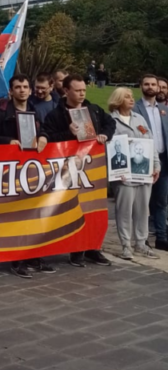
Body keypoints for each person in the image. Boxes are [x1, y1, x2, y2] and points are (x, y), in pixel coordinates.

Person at [41, 73, 115, 267]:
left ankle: (93, 248)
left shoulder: (94, 110)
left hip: (92, 169)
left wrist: (105, 135)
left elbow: (110, 123)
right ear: (66, 91)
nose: (82, 94)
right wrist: (68, 134)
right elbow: (48, 138)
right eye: (78, 90)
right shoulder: (55, 115)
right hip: (68, 172)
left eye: (84, 90)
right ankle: (75, 249)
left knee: (93, 209)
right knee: (72, 208)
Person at [0, 74, 53, 279]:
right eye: (18, 87)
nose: (22, 90)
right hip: (11, 172)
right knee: (16, 215)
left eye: (25, 87)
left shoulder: (35, 112)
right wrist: (8, 141)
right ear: (11, 91)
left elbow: (46, 133)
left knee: (34, 214)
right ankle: (17, 259)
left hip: (32, 171)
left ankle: (34, 255)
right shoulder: (0, 114)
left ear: (30, 91)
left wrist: (43, 137)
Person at [109, 87, 159, 260]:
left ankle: (141, 243)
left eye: (132, 97)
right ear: (118, 100)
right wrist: (115, 172)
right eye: (127, 97)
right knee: (124, 210)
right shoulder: (111, 121)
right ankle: (125, 245)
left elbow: (150, 143)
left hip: (143, 172)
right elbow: (109, 149)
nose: (132, 99)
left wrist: (156, 165)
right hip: (124, 174)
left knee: (142, 209)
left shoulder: (139, 119)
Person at [133, 75, 168, 251]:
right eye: (146, 84)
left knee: (161, 201)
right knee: (142, 202)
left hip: (163, 159)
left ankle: (161, 237)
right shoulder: (135, 108)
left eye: (153, 84)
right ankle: (141, 238)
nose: (150, 87)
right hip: (142, 159)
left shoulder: (163, 109)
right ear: (141, 86)